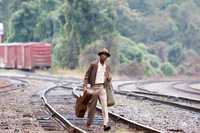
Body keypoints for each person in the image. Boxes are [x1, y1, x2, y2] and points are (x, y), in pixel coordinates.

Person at [83, 48, 112, 131]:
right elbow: (86, 76)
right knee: (92, 106)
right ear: (100, 56)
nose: (104, 57)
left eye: (106, 55)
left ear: (107, 57)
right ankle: (89, 123)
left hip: (102, 87)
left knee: (104, 106)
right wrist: (85, 86)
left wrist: (109, 78)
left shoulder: (107, 66)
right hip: (94, 88)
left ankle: (105, 124)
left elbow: (109, 78)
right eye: (103, 55)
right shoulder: (93, 64)